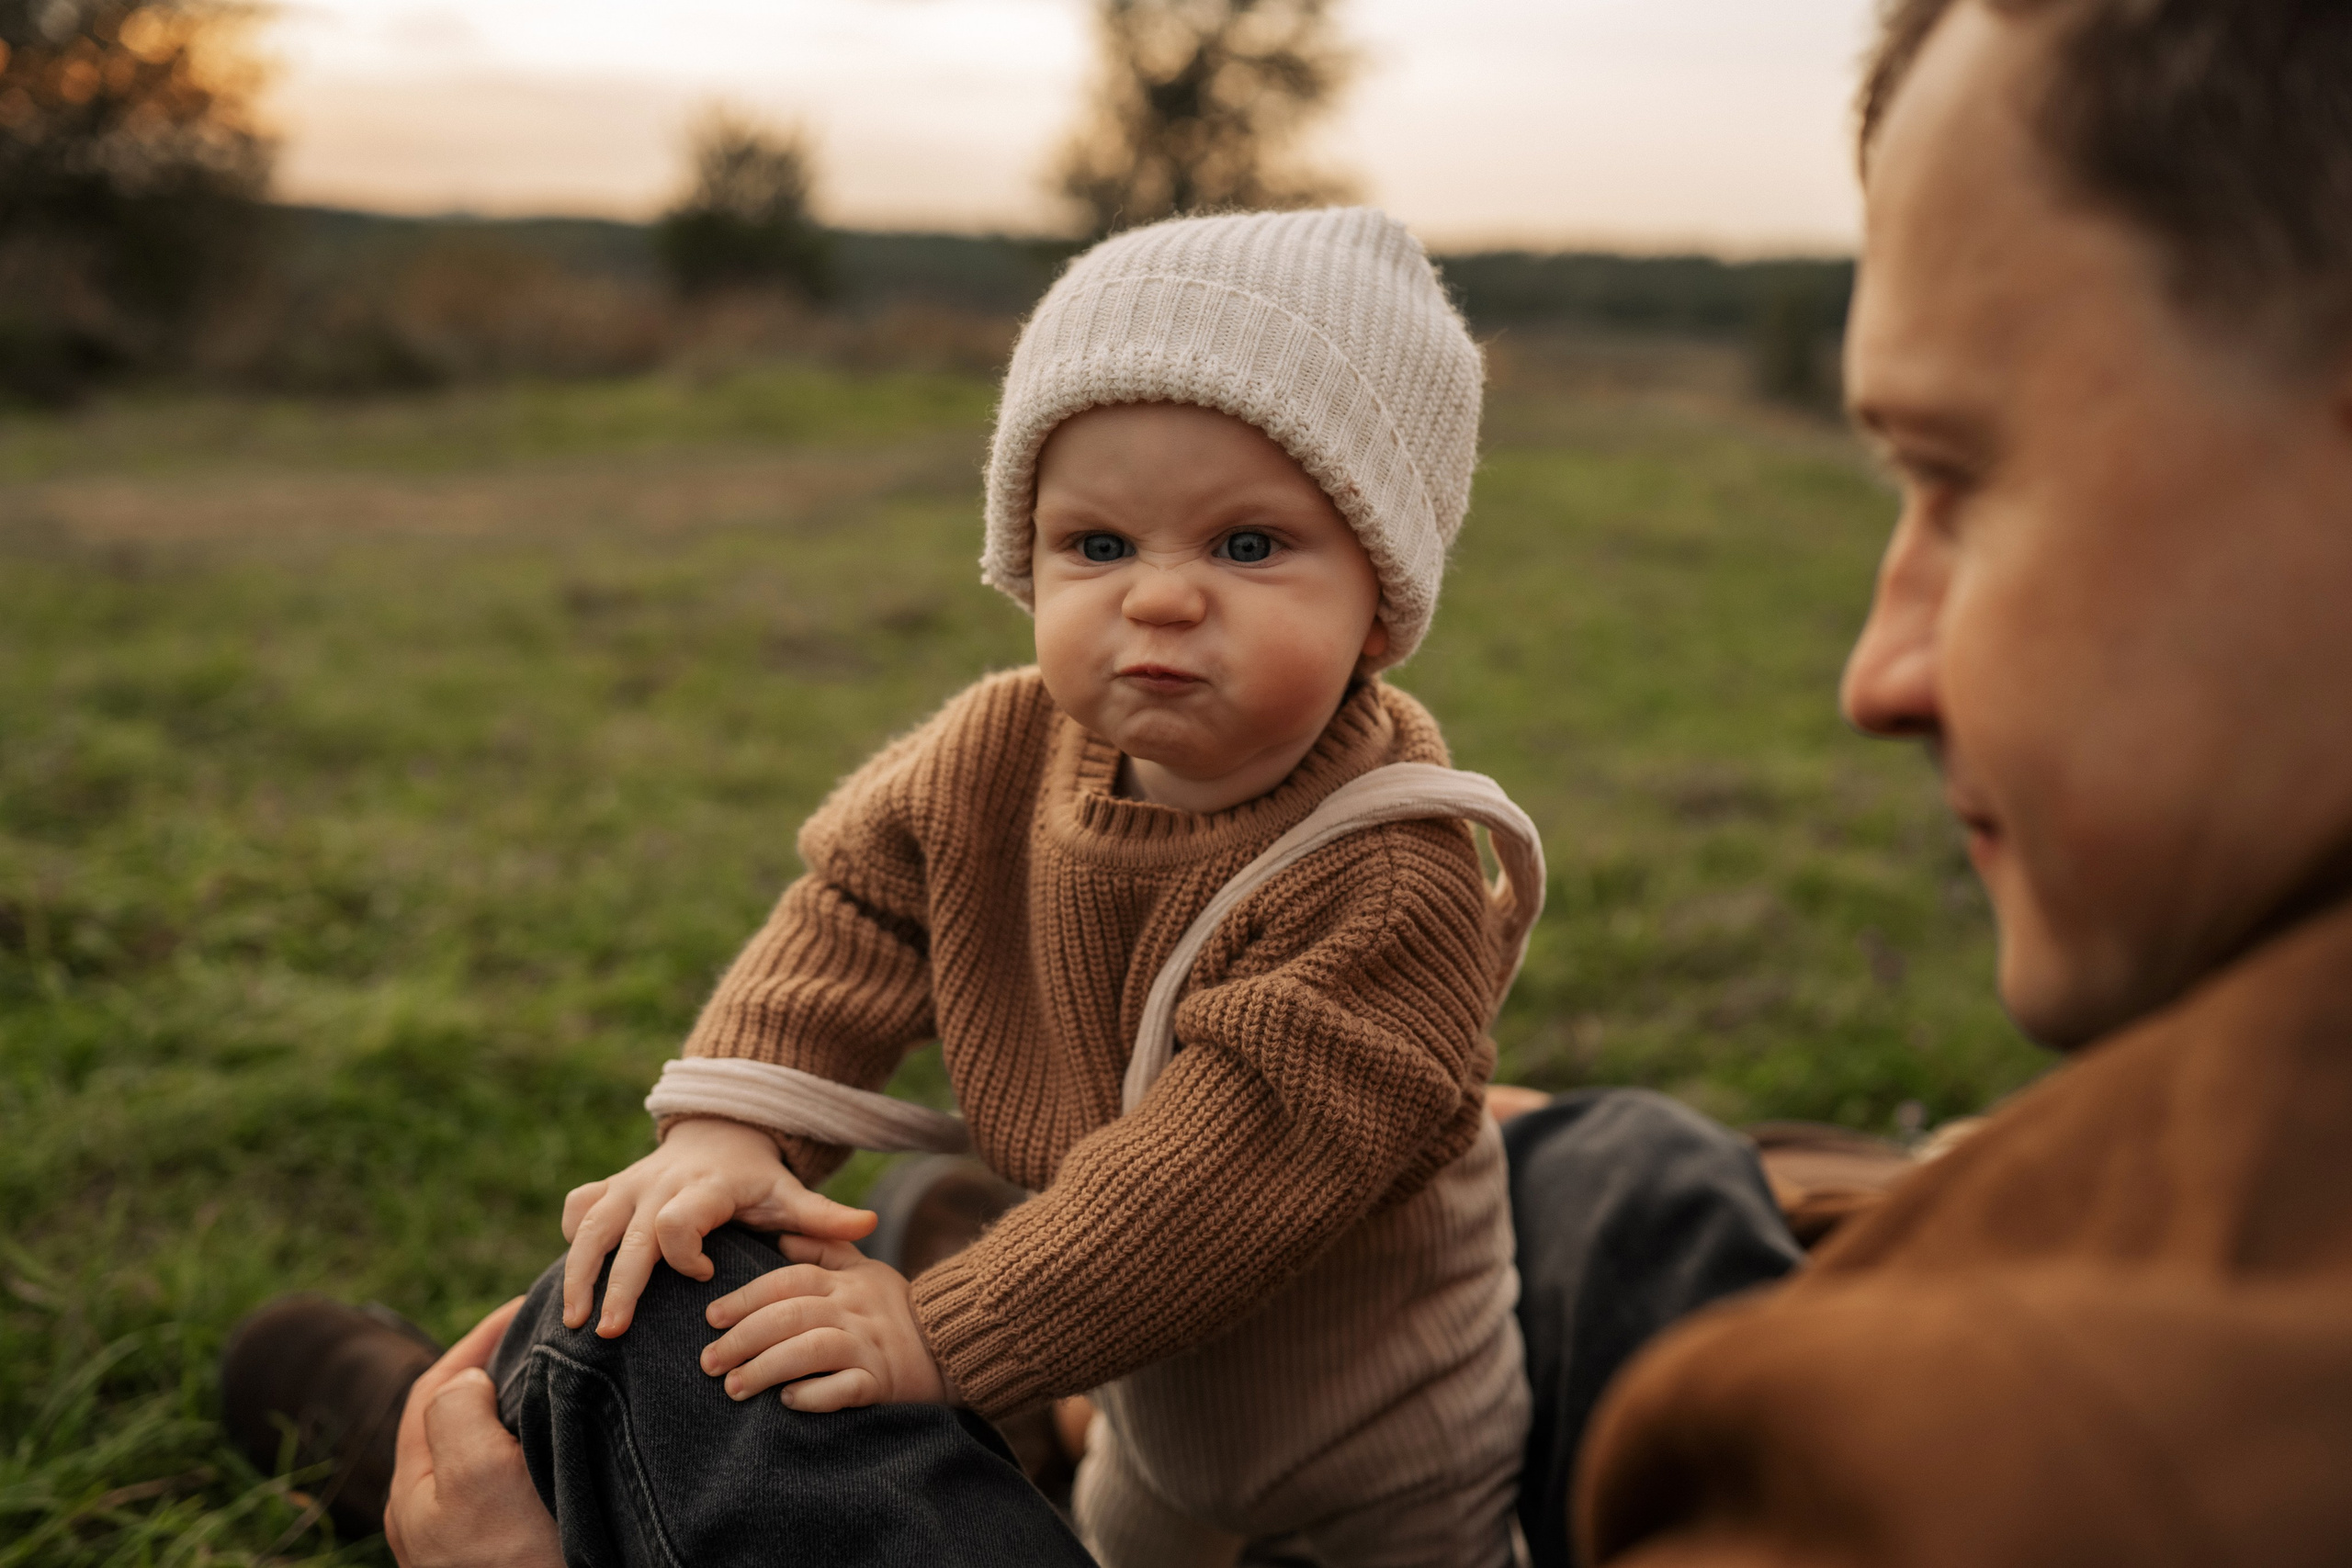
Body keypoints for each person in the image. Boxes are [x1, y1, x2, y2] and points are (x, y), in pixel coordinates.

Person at [278, 0, 2352, 1560]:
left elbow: (1230, 1163)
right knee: (1623, 1156)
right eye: (1093, 543)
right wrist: (736, 1108)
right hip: (1198, 1362)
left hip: (1366, 1450)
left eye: (1959, 478)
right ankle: (868, 1306)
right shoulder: (1004, 745)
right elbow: (861, 898)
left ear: (1383, 603)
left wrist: (956, 1327)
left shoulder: (1396, 855)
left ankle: (500, 1433)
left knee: (678, 1328)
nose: (1872, 667)